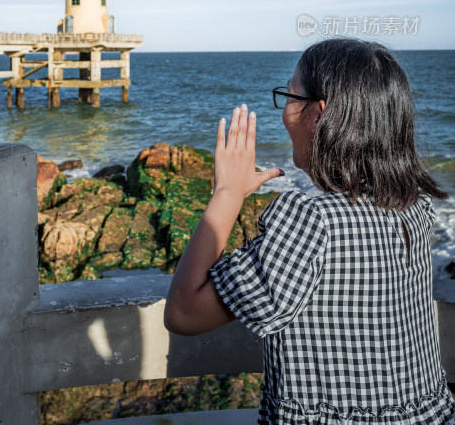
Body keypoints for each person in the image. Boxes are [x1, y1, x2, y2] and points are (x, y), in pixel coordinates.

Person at [164, 38, 455, 424]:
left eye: (289, 95)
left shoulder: (309, 220)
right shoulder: (414, 208)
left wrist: (228, 193)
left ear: (320, 115)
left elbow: (184, 314)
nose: (284, 109)